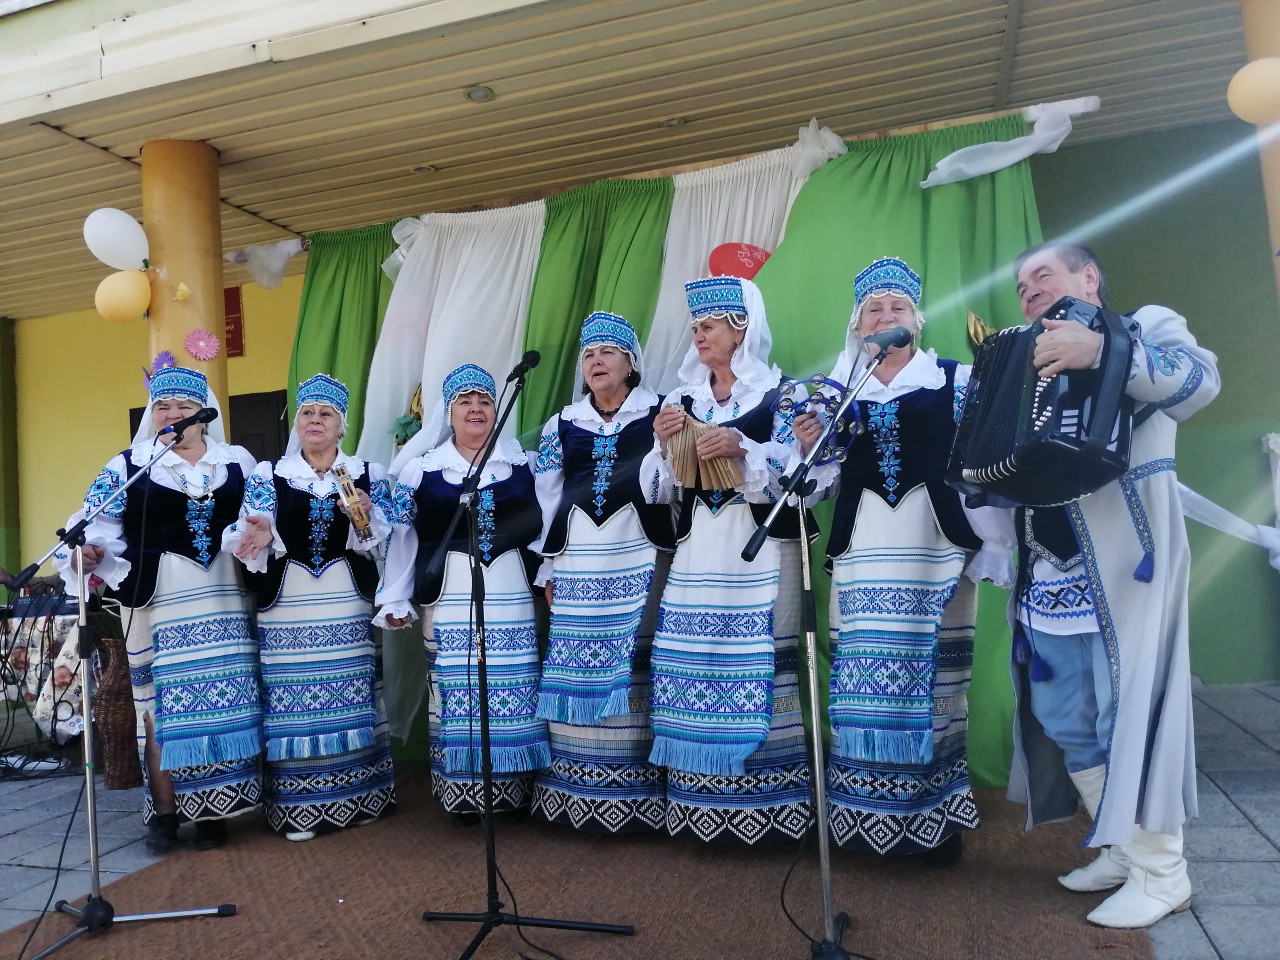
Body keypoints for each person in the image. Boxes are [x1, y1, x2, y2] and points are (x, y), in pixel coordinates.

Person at [1007, 242, 1219, 928]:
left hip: (1127, 564)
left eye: (1042, 274)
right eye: (1020, 284)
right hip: (1048, 575)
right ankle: (1124, 850)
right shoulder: (1025, 361)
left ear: (1088, 278)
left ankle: (1165, 875)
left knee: (1126, 715)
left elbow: (1197, 383)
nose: (1028, 289)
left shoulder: (1142, 325)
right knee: (1069, 721)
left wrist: (1100, 351)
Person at [792, 257, 1014, 865]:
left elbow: (983, 465)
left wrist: (992, 541)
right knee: (866, 685)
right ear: (858, 326)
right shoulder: (838, 393)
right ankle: (864, 821)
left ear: (915, 320)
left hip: (934, 548)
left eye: (896, 307)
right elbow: (817, 486)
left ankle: (932, 824)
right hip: (864, 550)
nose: (885, 316)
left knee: (934, 684)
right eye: (873, 309)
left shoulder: (956, 378)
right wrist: (811, 448)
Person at [54, 366, 263, 852]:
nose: (172, 415)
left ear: (203, 415)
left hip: (223, 596)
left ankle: (215, 810)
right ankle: (165, 814)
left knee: (218, 703)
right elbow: (96, 521)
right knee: (158, 709)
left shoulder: (238, 462)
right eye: (162, 407)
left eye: (184, 407)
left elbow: (257, 515)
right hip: (155, 599)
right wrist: (89, 552)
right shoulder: (131, 464)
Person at [641, 275, 812, 844]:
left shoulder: (783, 392)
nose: (699, 336)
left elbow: (804, 477)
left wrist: (744, 447)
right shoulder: (679, 400)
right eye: (695, 327)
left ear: (741, 331)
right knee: (694, 661)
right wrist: (667, 447)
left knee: (762, 662)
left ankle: (766, 808)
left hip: (759, 547)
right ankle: (697, 806)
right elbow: (659, 489)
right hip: (699, 551)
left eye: (708, 326)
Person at [224, 374, 397, 841]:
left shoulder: (367, 474)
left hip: (345, 598)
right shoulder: (270, 475)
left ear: (342, 426)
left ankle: (359, 796)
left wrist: (366, 515)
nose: (315, 420)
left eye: (326, 414)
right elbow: (251, 525)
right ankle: (301, 807)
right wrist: (259, 533)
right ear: (296, 423)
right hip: (289, 602)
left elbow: (385, 542)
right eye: (307, 413)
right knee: (294, 699)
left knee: (351, 691)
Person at [375, 363, 549, 822]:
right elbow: (404, 538)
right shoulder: (423, 470)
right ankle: (467, 795)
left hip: (510, 590)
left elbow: (541, 529)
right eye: (464, 402)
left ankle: (513, 786)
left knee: (512, 683)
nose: (476, 409)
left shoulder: (520, 463)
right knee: (460, 686)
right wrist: (395, 596)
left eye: (484, 401)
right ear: (448, 415)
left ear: (496, 411)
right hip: (451, 595)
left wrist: (549, 572)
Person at [530, 311, 675, 832]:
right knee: (577, 663)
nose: (595, 361)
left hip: (640, 550)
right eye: (588, 355)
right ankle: (578, 790)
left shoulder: (661, 411)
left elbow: (675, 481)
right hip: (577, 558)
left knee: (638, 658)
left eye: (607, 353)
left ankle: (636, 797)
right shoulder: (561, 423)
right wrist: (546, 567)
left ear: (630, 364)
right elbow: (548, 497)